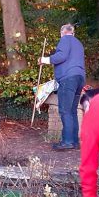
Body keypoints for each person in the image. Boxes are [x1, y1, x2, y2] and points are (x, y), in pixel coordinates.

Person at [39, 23, 85, 151]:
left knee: (65, 110)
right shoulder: (78, 43)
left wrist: (44, 60)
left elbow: (61, 56)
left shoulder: (65, 40)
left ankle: (67, 142)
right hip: (79, 78)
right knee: (72, 110)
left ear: (62, 32)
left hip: (68, 78)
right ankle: (74, 141)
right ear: (73, 32)